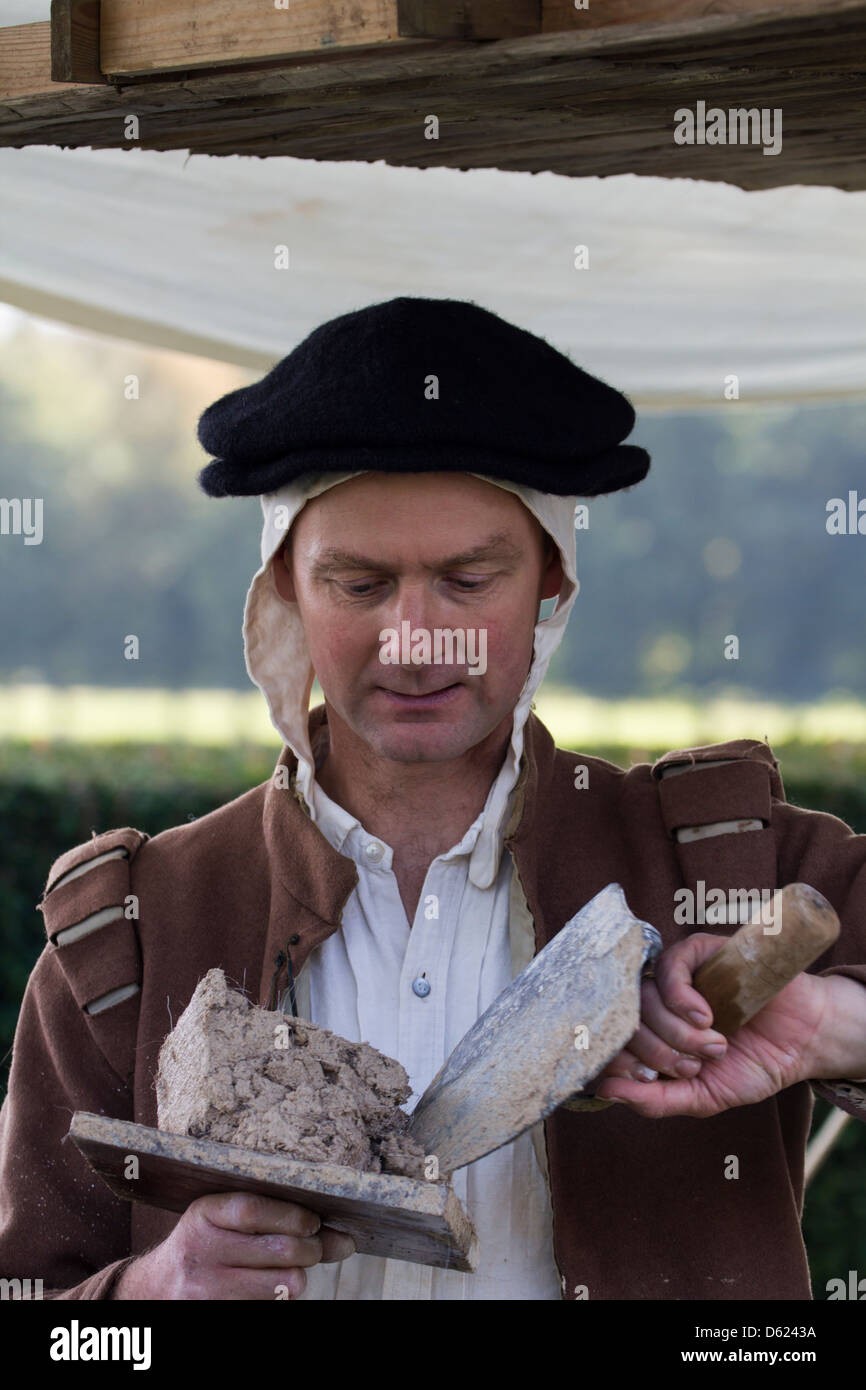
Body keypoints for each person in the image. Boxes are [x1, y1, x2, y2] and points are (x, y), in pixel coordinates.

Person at [0, 296, 864, 1302]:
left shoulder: (726, 865)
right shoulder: (132, 934)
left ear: (549, 577)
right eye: (360, 584)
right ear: (284, 585)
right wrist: (149, 1291)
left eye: (465, 578)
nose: (414, 639)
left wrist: (830, 1027)